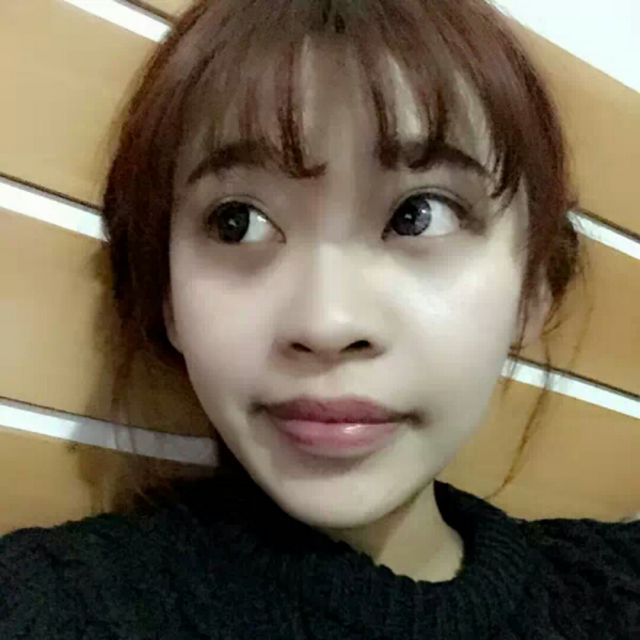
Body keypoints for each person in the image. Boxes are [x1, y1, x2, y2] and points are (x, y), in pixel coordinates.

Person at [1, 0, 639, 638]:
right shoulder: (54, 606)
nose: (327, 324)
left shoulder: (613, 585)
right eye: (237, 222)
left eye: (419, 214)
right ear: (167, 299)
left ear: (532, 292)